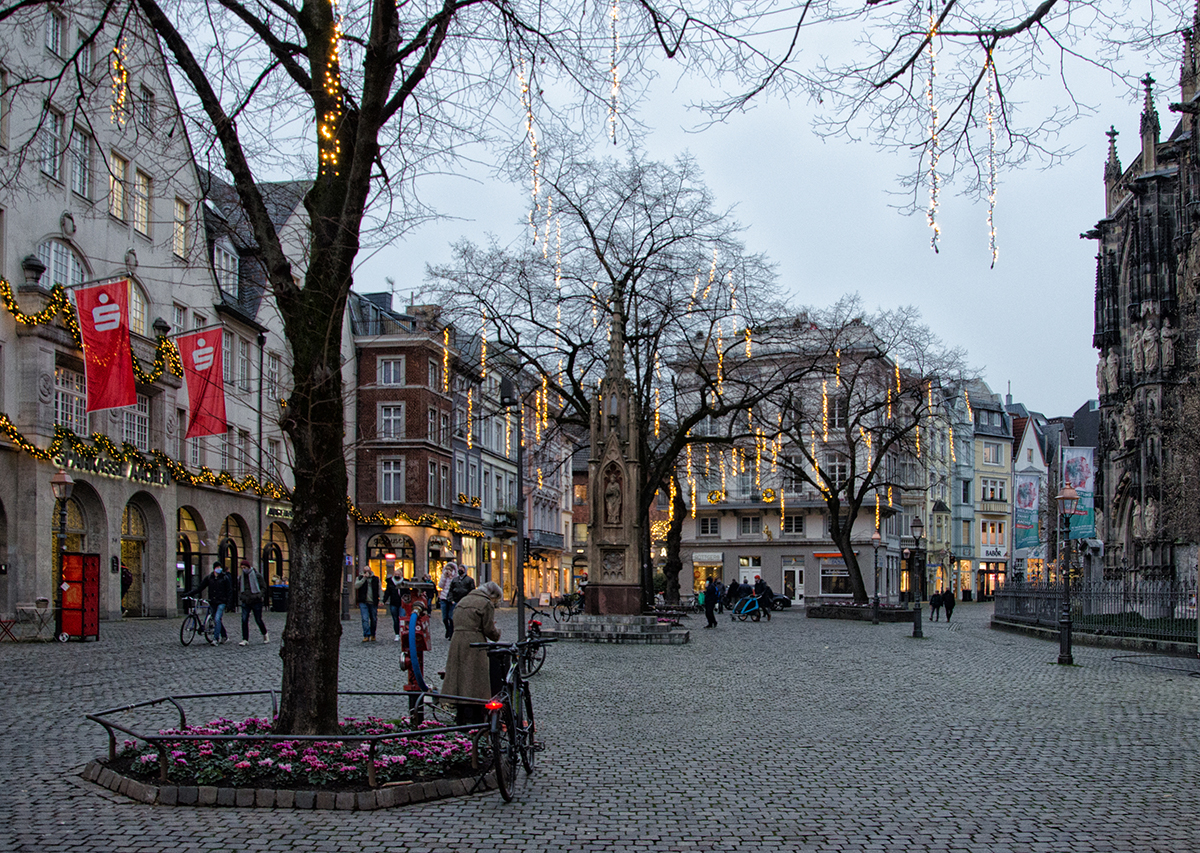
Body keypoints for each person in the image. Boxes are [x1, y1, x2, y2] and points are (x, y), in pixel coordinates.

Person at [442, 580, 502, 725]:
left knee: (460, 677)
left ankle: (461, 716)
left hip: (457, 641)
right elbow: (488, 629)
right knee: (475, 679)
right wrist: (497, 633)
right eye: (496, 600)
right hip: (475, 643)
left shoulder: (464, 600)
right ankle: (476, 718)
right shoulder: (485, 603)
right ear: (492, 595)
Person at [185, 562, 233, 645]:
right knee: (216, 620)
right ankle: (224, 636)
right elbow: (200, 588)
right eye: (217, 567)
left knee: (217, 619)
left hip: (221, 602)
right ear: (214, 568)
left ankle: (215, 639)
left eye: (220, 567)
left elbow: (229, 591)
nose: (219, 569)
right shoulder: (209, 578)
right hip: (212, 601)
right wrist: (188, 594)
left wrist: (229, 604)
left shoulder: (225, 578)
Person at [237, 559, 269, 645]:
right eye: (242, 568)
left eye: (245, 567)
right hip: (246, 601)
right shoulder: (241, 578)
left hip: (256, 601)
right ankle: (245, 639)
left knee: (258, 619)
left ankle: (265, 633)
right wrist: (242, 596)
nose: (244, 569)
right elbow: (239, 588)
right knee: (244, 620)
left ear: (248, 567)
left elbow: (263, 587)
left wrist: (259, 595)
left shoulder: (257, 576)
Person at [446, 565, 476, 640]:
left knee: (464, 618)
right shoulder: (455, 580)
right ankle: (451, 634)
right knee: (451, 617)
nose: (460, 570)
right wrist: (451, 599)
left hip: (465, 602)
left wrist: (469, 600)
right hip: (455, 601)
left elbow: (472, 591)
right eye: (459, 568)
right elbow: (451, 590)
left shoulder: (469, 580)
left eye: (461, 568)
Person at [354, 566, 381, 642]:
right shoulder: (359, 578)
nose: (367, 572)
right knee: (365, 619)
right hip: (363, 602)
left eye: (368, 571)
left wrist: (381, 600)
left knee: (374, 619)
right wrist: (364, 578)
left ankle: (373, 634)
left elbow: (379, 589)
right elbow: (356, 586)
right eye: (365, 571)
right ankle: (366, 635)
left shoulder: (375, 579)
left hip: (373, 602)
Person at [383, 571, 405, 641]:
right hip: (393, 603)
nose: (397, 575)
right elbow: (387, 592)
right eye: (396, 574)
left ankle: (403, 633)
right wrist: (383, 601)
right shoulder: (390, 582)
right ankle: (397, 634)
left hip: (402, 603)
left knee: (402, 619)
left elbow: (408, 592)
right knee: (395, 619)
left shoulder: (405, 582)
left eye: (398, 574)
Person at [438, 561, 457, 639]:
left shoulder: (455, 577)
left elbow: (455, 586)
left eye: (449, 569)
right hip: (444, 597)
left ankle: (451, 632)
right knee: (444, 617)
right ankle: (447, 629)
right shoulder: (444, 576)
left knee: (451, 617)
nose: (448, 571)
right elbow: (440, 585)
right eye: (447, 569)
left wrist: (451, 577)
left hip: (452, 598)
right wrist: (444, 577)